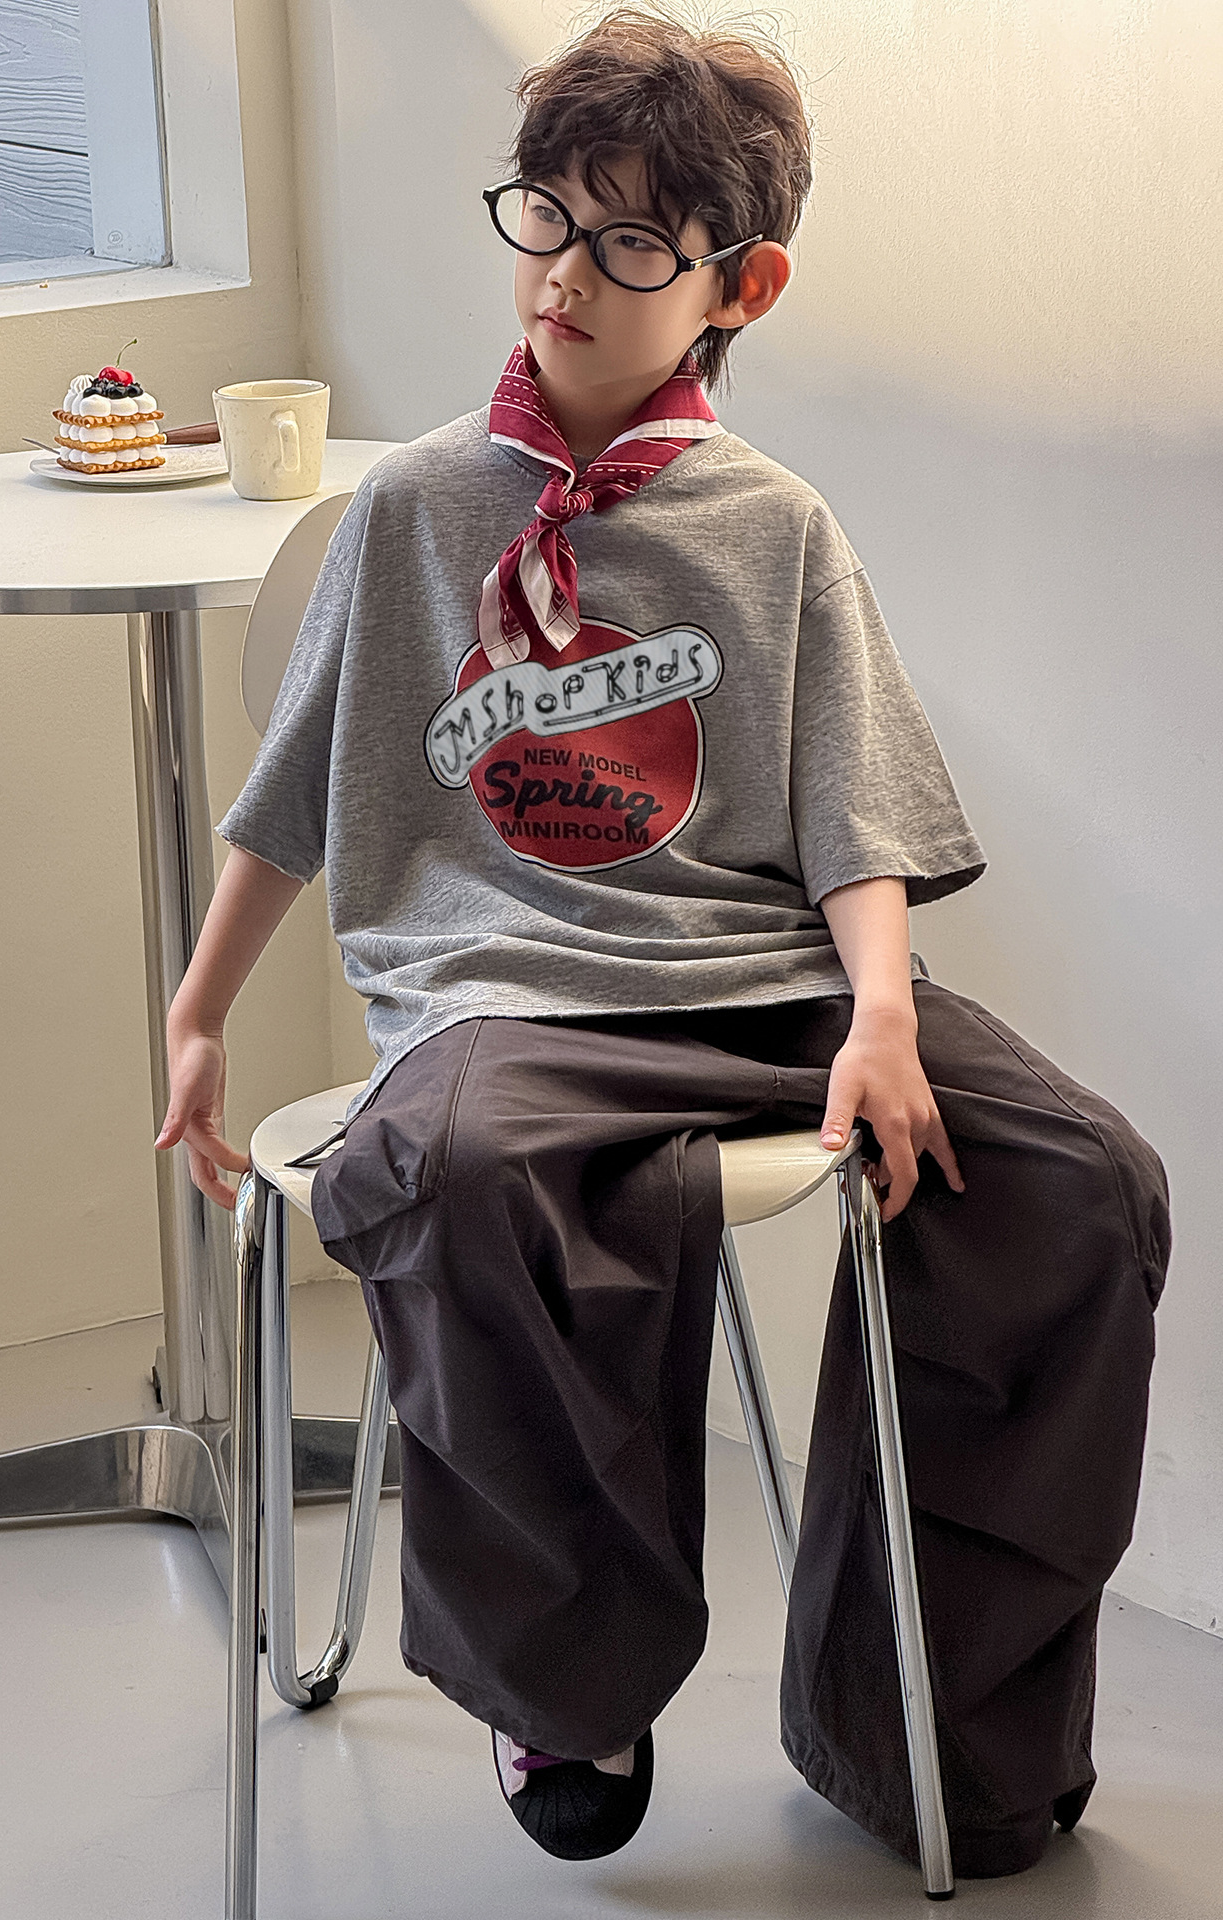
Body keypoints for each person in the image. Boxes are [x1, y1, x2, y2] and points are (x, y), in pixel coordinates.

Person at [156, 5, 1171, 1880]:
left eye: (628, 242)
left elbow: (854, 810)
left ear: (738, 285)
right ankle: (567, 1683)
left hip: (769, 985)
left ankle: (932, 1722)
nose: (565, 274)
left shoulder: (774, 524)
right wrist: (200, 1011)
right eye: (545, 218)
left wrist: (883, 1016)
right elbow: (294, 795)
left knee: (1076, 1183)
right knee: (460, 1171)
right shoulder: (416, 507)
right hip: (506, 990)